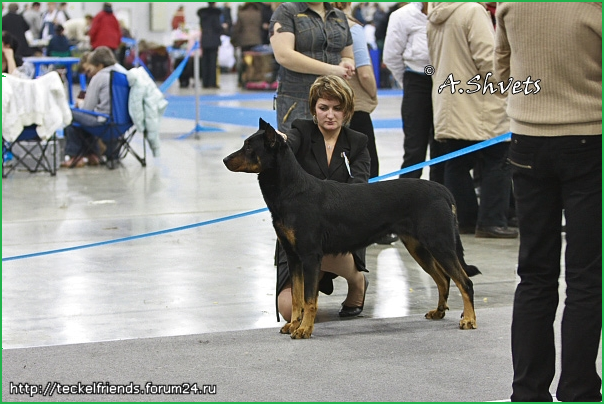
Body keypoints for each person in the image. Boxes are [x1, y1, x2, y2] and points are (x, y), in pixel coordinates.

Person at [494, 4, 602, 402]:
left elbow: (501, 70)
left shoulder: (511, 3)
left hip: (527, 140)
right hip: (590, 136)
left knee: (535, 275)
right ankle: (579, 391)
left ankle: (528, 392)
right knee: (586, 278)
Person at [276, 75, 370, 322]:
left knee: (320, 247)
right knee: (288, 311)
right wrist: (281, 140)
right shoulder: (301, 130)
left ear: (347, 111)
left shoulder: (358, 143)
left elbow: (358, 191)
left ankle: (357, 280)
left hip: (341, 229)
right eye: (323, 108)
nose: (330, 115)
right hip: (301, 232)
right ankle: (313, 280)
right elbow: (290, 142)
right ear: (313, 109)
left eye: (338, 109)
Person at [426, 3, 517, 239]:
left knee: (456, 163)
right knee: (498, 159)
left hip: (450, 99)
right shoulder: (473, 11)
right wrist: (504, 86)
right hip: (479, 101)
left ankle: (465, 220)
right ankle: (492, 221)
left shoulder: (435, 15)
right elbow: (488, 59)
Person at [269, 2, 355, 132]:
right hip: (298, 99)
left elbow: (348, 55)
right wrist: (331, 70)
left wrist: (346, 63)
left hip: (336, 97)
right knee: (299, 148)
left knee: (336, 148)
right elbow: (284, 56)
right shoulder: (287, 12)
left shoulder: (339, 16)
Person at [383, 2, 444, 184]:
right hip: (416, 79)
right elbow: (391, 56)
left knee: (443, 147)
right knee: (414, 148)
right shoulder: (402, 16)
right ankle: (406, 200)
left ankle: (441, 198)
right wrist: (408, 83)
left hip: (445, 81)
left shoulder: (453, 11)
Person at [61, 47, 127, 168]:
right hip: (123, 123)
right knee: (83, 122)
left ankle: (75, 156)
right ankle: (93, 154)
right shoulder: (123, 73)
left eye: (90, 69)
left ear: (100, 65)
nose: (90, 74)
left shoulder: (100, 77)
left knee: (69, 113)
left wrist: (80, 103)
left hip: (103, 122)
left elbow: (87, 109)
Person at [197, 2, 223, 89]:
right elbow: (217, 27)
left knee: (205, 62)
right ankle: (212, 82)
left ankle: (205, 82)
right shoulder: (215, 14)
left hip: (204, 39)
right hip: (213, 40)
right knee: (212, 62)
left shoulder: (202, 15)